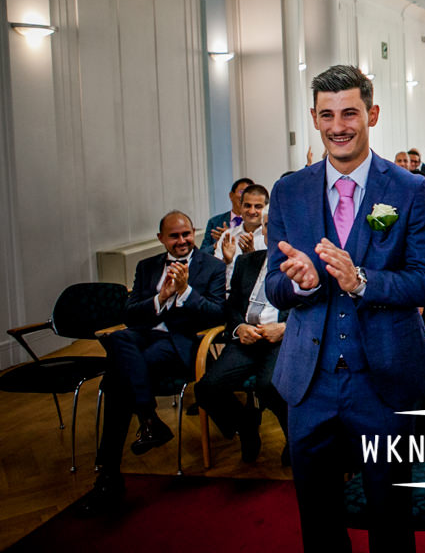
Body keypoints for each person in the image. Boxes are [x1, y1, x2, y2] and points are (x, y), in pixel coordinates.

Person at [265, 64, 425, 553]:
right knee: (317, 519)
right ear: (315, 119)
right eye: (327, 114)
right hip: (309, 381)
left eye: (349, 112)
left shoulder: (409, 190)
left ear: (372, 114)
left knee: (390, 516)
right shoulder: (288, 191)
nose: (338, 125)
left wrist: (360, 280)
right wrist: (299, 285)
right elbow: (274, 286)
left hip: (385, 380)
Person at [79, 211, 226, 512]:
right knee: (118, 339)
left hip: (179, 344)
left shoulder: (211, 266)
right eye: (174, 236)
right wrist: (160, 298)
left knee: (117, 380)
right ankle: (148, 419)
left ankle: (110, 474)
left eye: (186, 234)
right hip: (143, 337)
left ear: (194, 233)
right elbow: (129, 315)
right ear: (161, 239)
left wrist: (185, 292)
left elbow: (217, 314)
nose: (182, 241)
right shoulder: (146, 267)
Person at [196, 244, 289, 465]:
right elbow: (231, 306)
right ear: (264, 231)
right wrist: (239, 328)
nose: (274, 230)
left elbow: (314, 308)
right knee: (207, 388)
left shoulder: (304, 263)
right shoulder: (246, 261)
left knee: (270, 386)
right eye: (268, 226)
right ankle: (245, 425)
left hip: (281, 340)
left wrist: (285, 327)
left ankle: (294, 439)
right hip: (247, 337)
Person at [216, 183, 269, 282]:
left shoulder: (270, 237)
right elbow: (215, 275)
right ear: (240, 206)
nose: (252, 211)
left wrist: (252, 258)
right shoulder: (228, 236)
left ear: (266, 208)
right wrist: (227, 261)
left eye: (258, 206)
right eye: (247, 206)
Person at [201, 177, 254, 252]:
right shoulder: (214, 222)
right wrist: (219, 243)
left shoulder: (258, 222)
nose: (245, 196)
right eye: (242, 192)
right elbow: (202, 253)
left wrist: (233, 236)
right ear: (231, 195)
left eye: (250, 193)